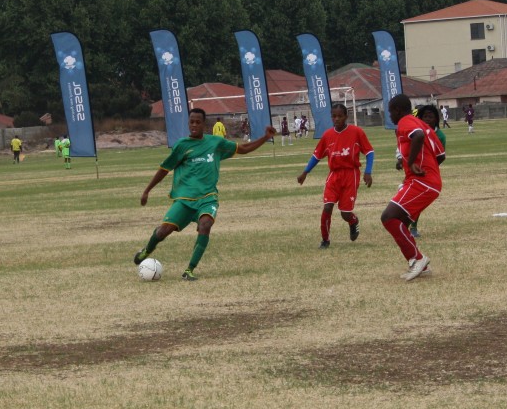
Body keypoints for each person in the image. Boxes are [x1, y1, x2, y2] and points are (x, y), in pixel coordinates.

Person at [133, 108, 275, 281]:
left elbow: (243, 148)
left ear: (204, 124)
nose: (194, 125)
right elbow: (165, 168)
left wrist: (265, 138)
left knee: (205, 225)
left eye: (197, 122)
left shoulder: (216, 143)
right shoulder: (182, 145)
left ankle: (189, 270)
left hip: (208, 198)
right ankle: (147, 250)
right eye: (191, 122)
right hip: (185, 199)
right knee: (163, 232)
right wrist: (147, 190)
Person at [380, 95, 444, 282]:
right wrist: (424, 167)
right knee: (400, 221)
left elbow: (417, 136)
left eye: (390, 112)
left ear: (398, 110)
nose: (390, 116)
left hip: (422, 182)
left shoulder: (406, 122)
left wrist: (412, 163)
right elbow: (441, 155)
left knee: (388, 217)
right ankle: (421, 265)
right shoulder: (422, 124)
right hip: (427, 182)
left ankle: (417, 259)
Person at [296, 102, 374, 248]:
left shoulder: (357, 132)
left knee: (345, 213)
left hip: (351, 175)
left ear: (346, 116)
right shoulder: (327, 135)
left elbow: (369, 152)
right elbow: (317, 156)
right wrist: (305, 172)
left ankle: (353, 221)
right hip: (334, 175)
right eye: (334, 116)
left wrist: (368, 171)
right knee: (327, 207)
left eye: (340, 116)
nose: (336, 119)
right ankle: (325, 240)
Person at [409, 105, 445, 239]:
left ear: (436, 119)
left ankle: (412, 225)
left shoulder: (440, 136)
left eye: (431, 117)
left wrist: (430, 169)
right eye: (425, 117)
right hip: (414, 171)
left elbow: (441, 156)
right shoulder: (417, 133)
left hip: (429, 173)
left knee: (420, 200)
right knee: (413, 199)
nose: (428, 119)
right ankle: (411, 226)